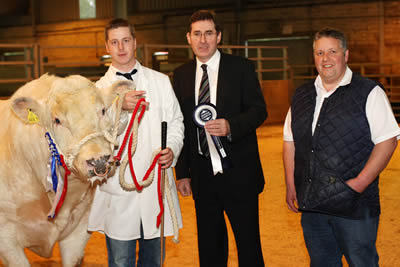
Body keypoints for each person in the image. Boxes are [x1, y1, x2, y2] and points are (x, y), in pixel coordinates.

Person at [283, 28, 400, 267]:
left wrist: (358, 184)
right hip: (313, 204)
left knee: (361, 262)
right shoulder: (302, 95)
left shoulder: (368, 92)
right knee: (322, 262)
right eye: (319, 53)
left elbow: (388, 140)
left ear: (345, 55)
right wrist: (290, 184)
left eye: (332, 51)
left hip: (354, 206)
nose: (325, 59)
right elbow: (290, 141)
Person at [173, 10, 267, 267]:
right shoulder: (180, 75)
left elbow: (259, 111)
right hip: (203, 177)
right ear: (188, 38)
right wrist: (182, 172)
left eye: (209, 33)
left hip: (240, 174)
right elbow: (179, 125)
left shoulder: (241, 68)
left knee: (249, 247)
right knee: (210, 249)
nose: (203, 40)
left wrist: (231, 126)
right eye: (197, 34)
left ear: (219, 37)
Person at [87, 18, 184, 267]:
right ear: (107, 47)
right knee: (121, 261)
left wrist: (172, 149)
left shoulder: (161, 82)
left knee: (154, 260)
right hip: (119, 192)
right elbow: (94, 139)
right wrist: (116, 108)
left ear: (135, 43)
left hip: (155, 188)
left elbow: (176, 123)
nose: (121, 47)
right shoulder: (97, 91)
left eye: (126, 41)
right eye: (115, 42)